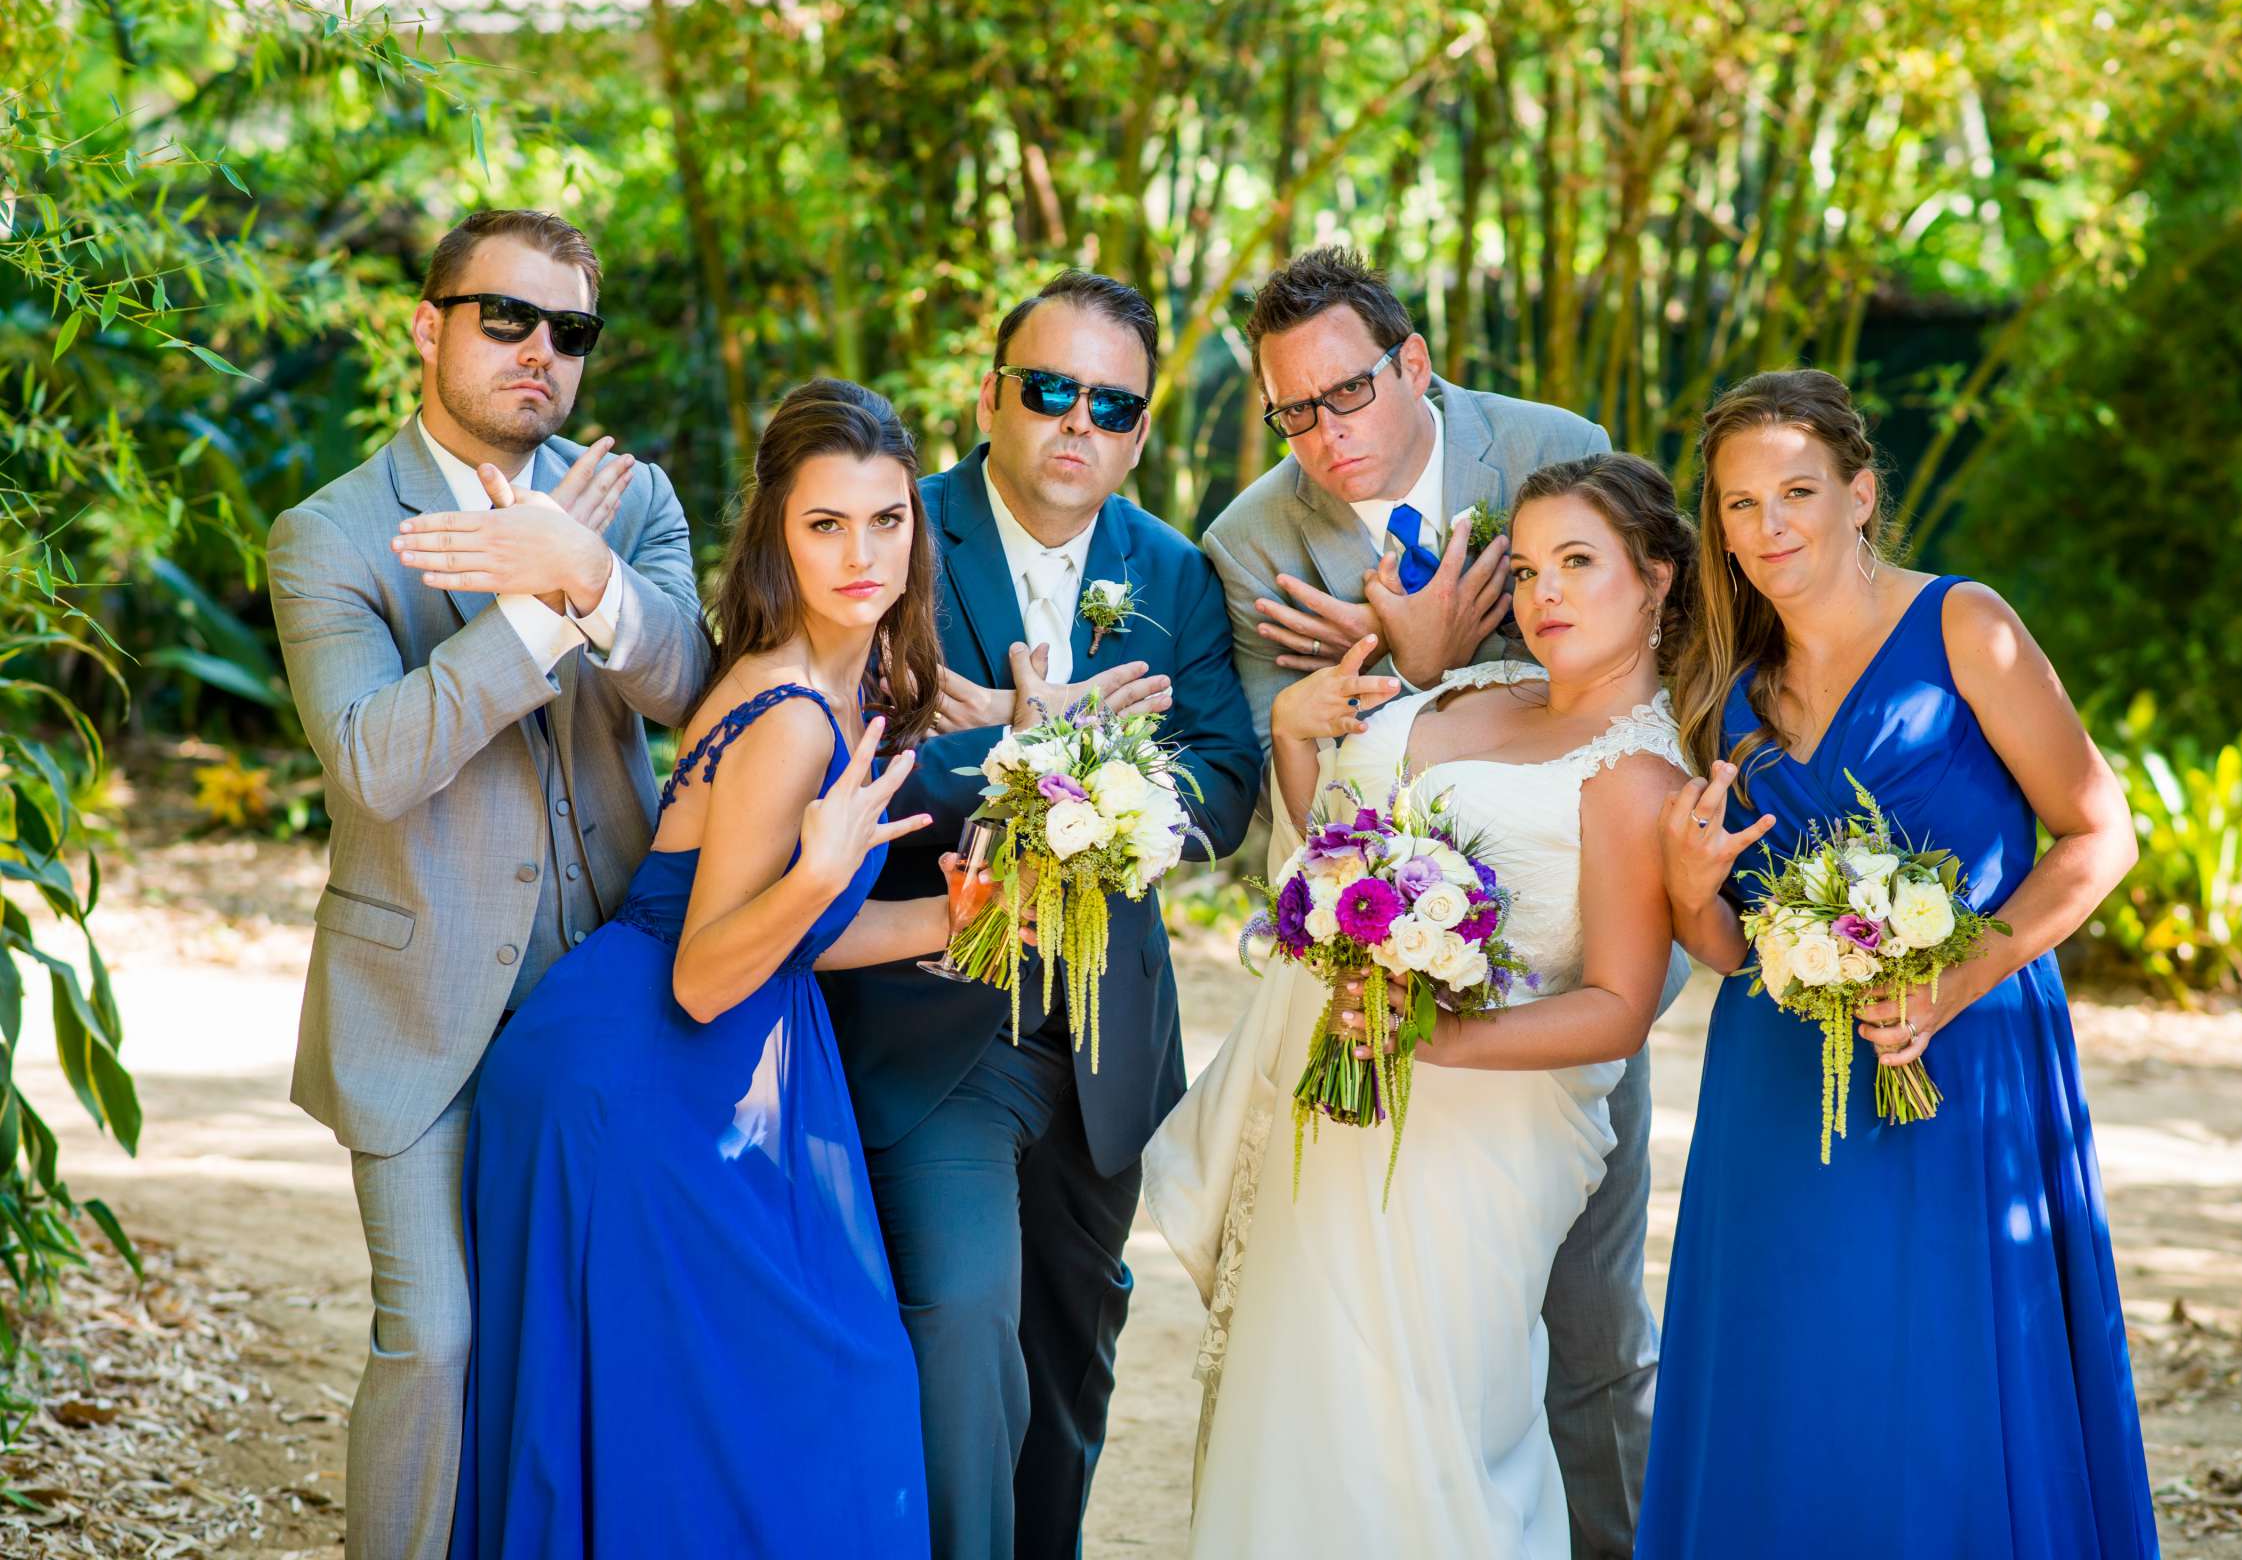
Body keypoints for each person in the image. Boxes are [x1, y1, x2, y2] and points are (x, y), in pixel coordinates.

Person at [1637, 369, 2159, 1558]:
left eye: (1797, 493)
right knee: (1791, 1366)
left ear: (1862, 494)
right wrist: (1683, 889)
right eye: (1735, 504)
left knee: (1942, 1376)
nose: (1768, 528)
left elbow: (2100, 832)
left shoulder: (1965, 626)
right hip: (1776, 1087)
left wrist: (1960, 973)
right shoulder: (1723, 690)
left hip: (1965, 1063)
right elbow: (1732, 949)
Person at [451, 379, 972, 1556]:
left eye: (886, 520)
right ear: (779, 535)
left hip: (701, 1053)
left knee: (754, 1408)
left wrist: (954, 920)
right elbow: (706, 967)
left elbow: (788, 933)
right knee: (781, 1403)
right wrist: (819, 867)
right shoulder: (792, 708)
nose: (862, 553)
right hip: (639, 1076)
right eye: (825, 525)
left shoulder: (856, 676)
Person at [1147, 453, 1695, 1559]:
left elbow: (1620, 1008)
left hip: (1469, 1148)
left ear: (1658, 579)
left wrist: (1435, 1035)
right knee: (1298, 1395)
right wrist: (1299, 736)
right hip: (1330, 1104)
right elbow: (1329, 849)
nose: (1545, 596)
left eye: (1579, 564)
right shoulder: (1473, 687)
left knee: (1419, 1429)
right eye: (1529, 569)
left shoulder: (1639, 776)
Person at [265, 209, 708, 1560]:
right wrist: (525, 612)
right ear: (429, 325)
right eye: (504, 319)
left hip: (615, 998)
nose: (538, 353)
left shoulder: (628, 502)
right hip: (420, 1001)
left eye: (567, 331)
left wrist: (590, 578)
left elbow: (692, 685)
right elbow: (371, 765)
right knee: (439, 1341)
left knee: (593, 1331)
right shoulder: (329, 534)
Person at [817, 272, 1262, 1559]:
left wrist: (1118, 803)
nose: (1079, 423)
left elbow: (1223, 775)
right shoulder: (894, 531)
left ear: (1138, 429)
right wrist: (1031, 751)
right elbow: (844, 752)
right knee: (960, 1321)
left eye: (1112, 404)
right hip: (932, 1006)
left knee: (1071, 1349)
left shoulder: (1171, 571)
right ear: (991, 395)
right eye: (1050, 389)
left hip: (1107, 1036)